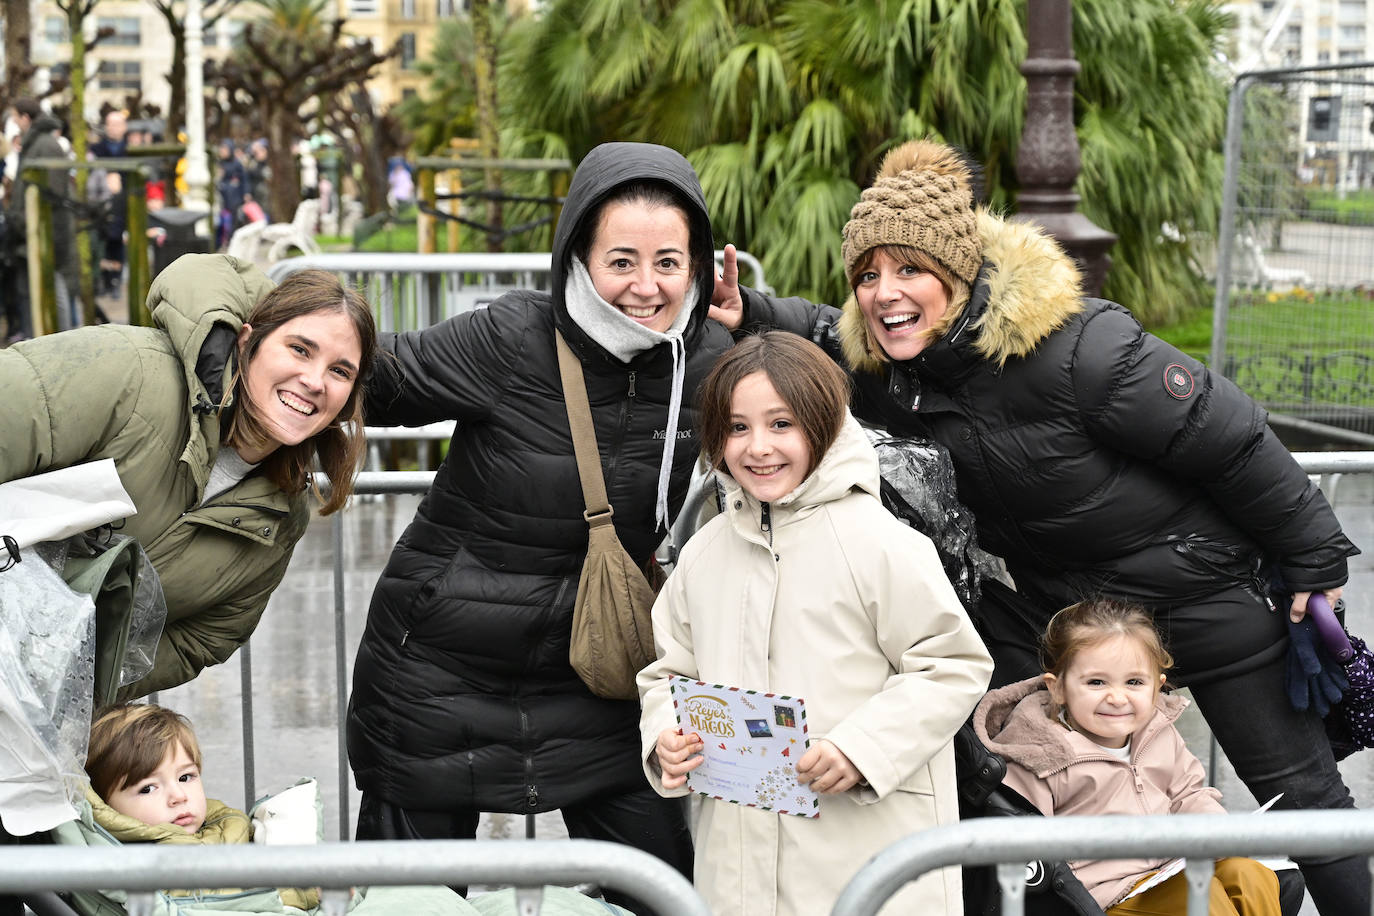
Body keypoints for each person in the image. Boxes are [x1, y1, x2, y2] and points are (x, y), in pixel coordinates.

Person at [712, 137, 1366, 913]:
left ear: (958, 274)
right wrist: (751, 310)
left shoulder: (1082, 347)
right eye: (867, 275)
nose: (885, 293)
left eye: (910, 269)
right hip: (1066, 612)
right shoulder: (896, 368)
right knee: (992, 757)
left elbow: (1230, 438)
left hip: (1198, 589)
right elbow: (822, 332)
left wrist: (1314, 557)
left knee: (1301, 800)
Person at [346, 142, 737, 914]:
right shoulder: (513, 337)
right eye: (621, 260)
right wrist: (242, 343)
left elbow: (815, 392)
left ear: (697, 266)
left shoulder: (712, 361)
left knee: (664, 891)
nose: (645, 286)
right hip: (437, 670)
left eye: (669, 262)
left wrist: (757, 313)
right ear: (577, 257)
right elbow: (377, 377)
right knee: (408, 907)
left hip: (599, 668)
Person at [638, 332, 993, 916]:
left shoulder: (879, 543)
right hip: (736, 863)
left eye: (782, 424)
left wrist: (862, 749)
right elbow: (669, 671)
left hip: (864, 855)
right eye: (736, 427)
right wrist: (665, 738)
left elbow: (952, 664)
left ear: (824, 424)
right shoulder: (703, 554)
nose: (758, 448)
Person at [0, 253, 375, 699]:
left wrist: (66, 684)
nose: (315, 381)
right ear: (246, 342)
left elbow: (203, 638)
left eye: (340, 371)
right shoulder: (130, 372)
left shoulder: (281, 518)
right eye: (299, 349)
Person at [974, 598, 1282, 915]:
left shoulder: (1157, 732)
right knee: (1200, 900)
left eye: (1134, 682)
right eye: (1096, 682)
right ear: (1059, 688)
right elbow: (1027, 847)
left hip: (1171, 866)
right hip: (1104, 896)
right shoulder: (1038, 756)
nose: (1117, 697)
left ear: (1155, 687)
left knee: (1251, 875)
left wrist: (1212, 827)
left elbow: (1187, 793)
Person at [81, 703, 475, 916]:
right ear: (106, 802)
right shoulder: (141, 863)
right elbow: (224, 898)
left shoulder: (226, 827)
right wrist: (305, 889)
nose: (177, 796)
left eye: (186, 777)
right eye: (148, 787)